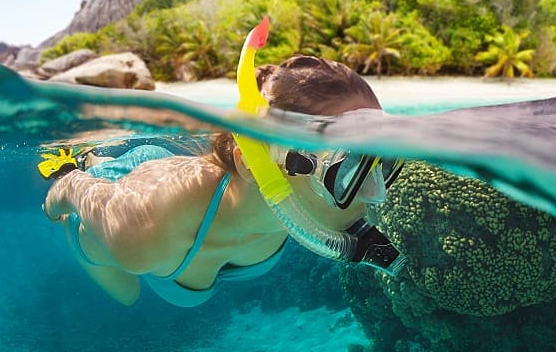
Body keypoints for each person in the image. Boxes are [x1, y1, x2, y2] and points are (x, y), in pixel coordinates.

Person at [43, 50, 403, 307]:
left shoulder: (299, 208)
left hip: (196, 199)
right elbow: (74, 195)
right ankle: (88, 160)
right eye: (349, 167)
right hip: (124, 194)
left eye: (384, 163)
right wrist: (66, 187)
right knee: (127, 294)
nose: (376, 195)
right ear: (253, 163)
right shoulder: (142, 233)